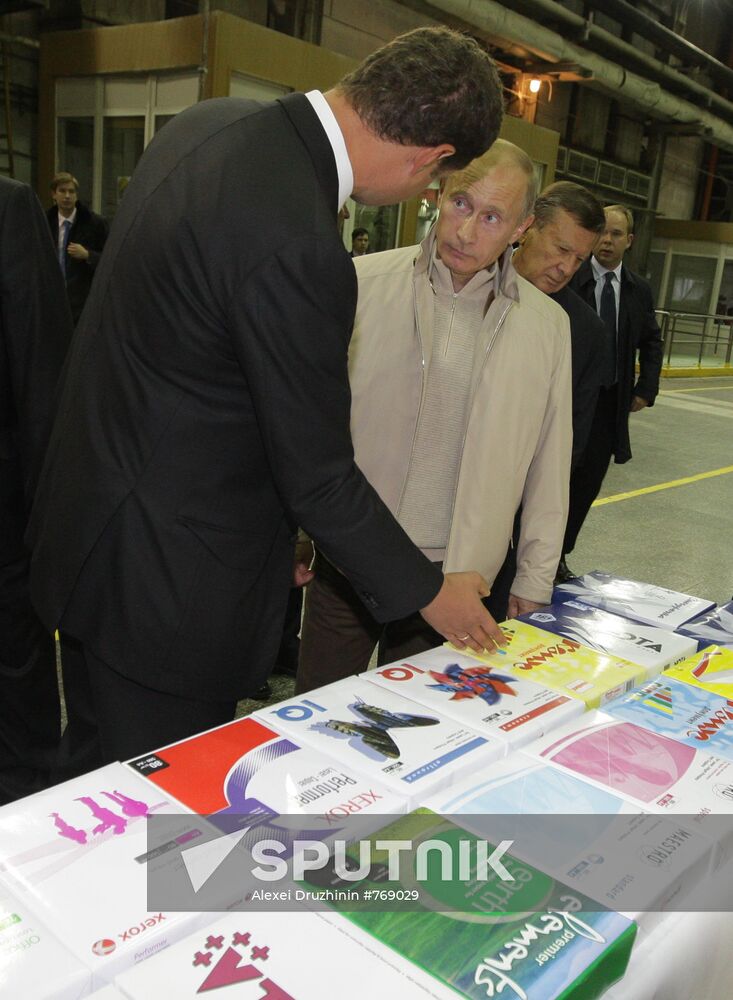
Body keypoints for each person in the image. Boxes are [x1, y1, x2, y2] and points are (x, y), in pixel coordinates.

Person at [27, 26, 506, 773]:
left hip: (91, 536)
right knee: (163, 813)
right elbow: (319, 473)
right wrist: (429, 593)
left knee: (90, 784)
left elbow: (188, 366)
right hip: (170, 595)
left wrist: (277, 537)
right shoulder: (302, 245)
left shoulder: (209, 123)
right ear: (430, 157)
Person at [296, 140, 573, 694]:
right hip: (350, 564)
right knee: (317, 720)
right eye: (461, 204)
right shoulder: (360, 283)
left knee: (425, 728)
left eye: (491, 217)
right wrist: (295, 533)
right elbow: (306, 428)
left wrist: (535, 577)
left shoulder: (546, 326)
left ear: (521, 229)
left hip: (458, 580)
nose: (466, 231)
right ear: (440, 195)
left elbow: (549, 464)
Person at [0, 176, 74, 803]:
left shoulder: (7, 207)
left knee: (17, 678)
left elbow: (41, 366)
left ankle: (30, 820)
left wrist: (48, 516)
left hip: (5, 519)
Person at [558, 203, 663, 580]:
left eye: (615, 234)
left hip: (608, 406)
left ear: (629, 240)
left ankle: (559, 555)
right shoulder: (570, 278)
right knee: (555, 483)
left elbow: (651, 341)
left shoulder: (638, 290)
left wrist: (645, 388)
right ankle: (532, 556)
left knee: (586, 486)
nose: (606, 240)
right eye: (601, 232)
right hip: (568, 402)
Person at [512, 181, 607, 468]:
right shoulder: (472, 287)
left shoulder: (584, 330)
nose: (566, 268)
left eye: (579, 259)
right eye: (561, 249)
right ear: (527, 228)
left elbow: (570, 439)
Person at [47, 172, 109, 326]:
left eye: (71, 191)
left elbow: (110, 259)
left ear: (76, 195)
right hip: (52, 296)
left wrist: (88, 255)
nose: (67, 196)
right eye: (62, 191)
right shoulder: (44, 222)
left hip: (83, 300)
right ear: (54, 194)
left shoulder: (94, 223)